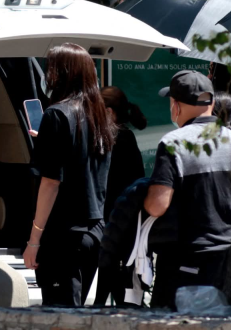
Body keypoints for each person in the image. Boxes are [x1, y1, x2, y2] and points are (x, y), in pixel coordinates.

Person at [23, 43, 117, 307]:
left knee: (59, 316)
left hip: (63, 235)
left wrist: (34, 239)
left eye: (51, 68)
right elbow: (82, 158)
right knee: (74, 313)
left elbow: (51, 183)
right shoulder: (100, 117)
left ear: (61, 73)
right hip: (94, 230)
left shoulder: (56, 114)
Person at [144, 70, 231, 309]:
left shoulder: (174, 142)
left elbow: (157, 206)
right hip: (230, 255)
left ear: (176, 106)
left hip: (186, 260)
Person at [94, 86, 147, 306]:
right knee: (111, 271)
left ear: (108, 112)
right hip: (123, 217)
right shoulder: (125, 137)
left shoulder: (114, 139)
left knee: (109, 268)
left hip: (114, 216)